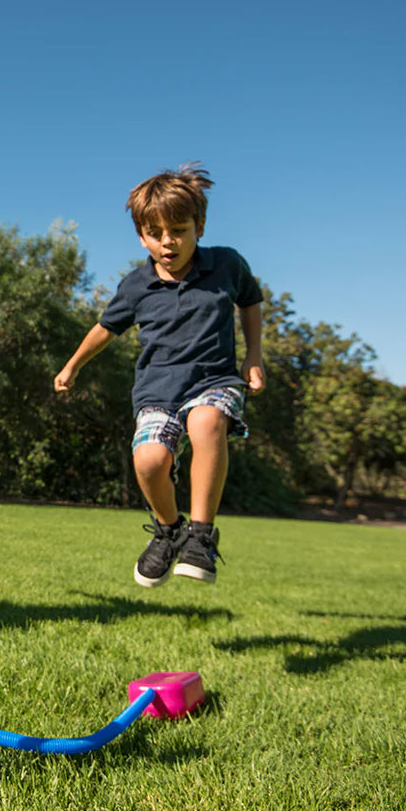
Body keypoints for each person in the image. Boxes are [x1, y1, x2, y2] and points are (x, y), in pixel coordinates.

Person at [54, 164, 263, 586]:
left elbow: (251, 301)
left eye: (179, 230)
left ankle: (200, 537)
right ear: (141, 235)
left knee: (206, 421)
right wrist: (72, 365)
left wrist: (254, 355)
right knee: (149, 461)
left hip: (214, 381)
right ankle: (169, 531)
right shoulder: (136, 286)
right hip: (157, 392)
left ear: (199, 227)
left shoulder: (225, 265)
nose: (168, 242)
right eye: (155, 233)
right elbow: (104, 329)